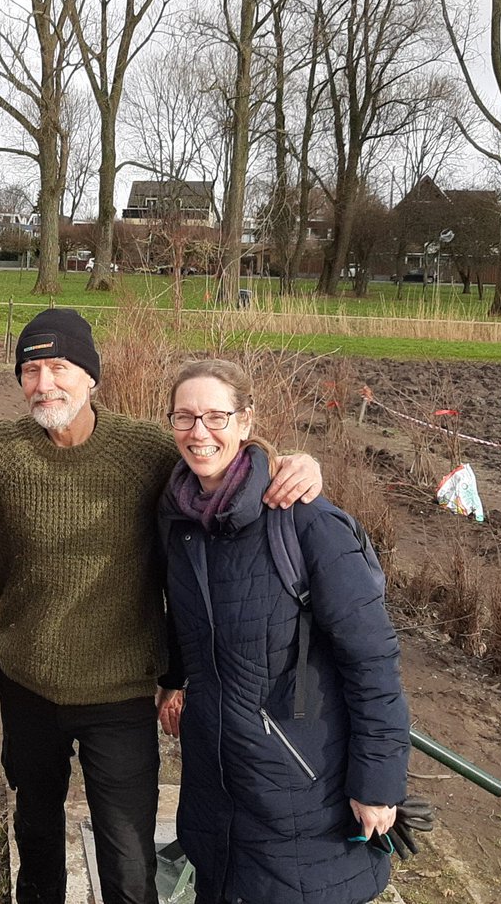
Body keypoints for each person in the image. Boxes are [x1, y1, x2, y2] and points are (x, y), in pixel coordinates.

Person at [0, 308, 322, 904]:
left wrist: (286, 462)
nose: (44, 383)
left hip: (120, 694)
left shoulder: (147, 451)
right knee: (38, 841)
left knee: (129, 863)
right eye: (31, 369)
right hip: (27, 688)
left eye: (59, 367)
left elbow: (220, 465)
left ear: (91, 377)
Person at [157, 358, 410, 904]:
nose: (199, 432)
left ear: (246, 421)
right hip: (216, 779)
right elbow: (186, 621)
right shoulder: (178, 520)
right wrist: (174, 681)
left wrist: (378, 784)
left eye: (216, 416)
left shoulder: (306, 521)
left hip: (303, 784)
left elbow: (373, 661)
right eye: (184, 417)